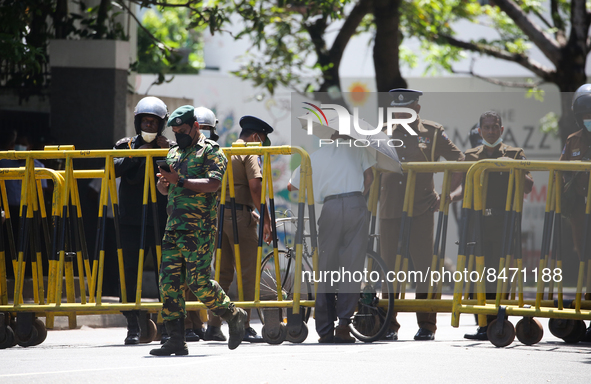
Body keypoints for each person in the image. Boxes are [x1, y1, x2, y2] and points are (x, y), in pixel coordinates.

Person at [150, 105, 246, 356]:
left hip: (199, 228)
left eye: (182, 130)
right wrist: (164, 184)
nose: (178, 135)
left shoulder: (211, 151)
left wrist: (178, 181)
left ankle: (233, 315)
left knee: (198, 282)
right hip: (173, 227)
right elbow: (167, 190)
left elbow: (213, 184)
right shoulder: (173, 152)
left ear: (195, 126)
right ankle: (175, 339)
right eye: (175, 131)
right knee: (168, 284)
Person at [379, 88, 465, 341]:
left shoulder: (432, 131)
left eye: (406, 109)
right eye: (397, 110)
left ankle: (427, 325)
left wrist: (447, 195)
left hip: (421, 208)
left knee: (424, 268)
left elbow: (458, 160)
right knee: (388, 269)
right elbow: (368, 163)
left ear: (416, 108)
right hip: (390, 207)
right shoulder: (382, 131)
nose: (400, 114)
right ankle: (388, 324)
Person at [288, 121, 376, 343]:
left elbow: (292, 185)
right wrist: (358, 195)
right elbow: (369, 178)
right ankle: (344, 325)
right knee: (352, 266)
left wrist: (319, 184)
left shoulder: (316, 155)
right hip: (356, 203)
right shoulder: (359, 149)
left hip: (331, 207)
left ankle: (325, 329)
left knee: (325, 266)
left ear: (333, 135)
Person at [459, 110, 534, 340]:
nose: (491, 131)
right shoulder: (471, 156)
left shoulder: (515, 153)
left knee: (502, 274)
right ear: (480, 131)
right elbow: (463, 189)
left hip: (504, 223)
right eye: (487, 128)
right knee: (477, 274)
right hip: (479, 224)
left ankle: (500, 322)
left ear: (501, 130)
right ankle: (483, 325)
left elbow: (529, 186)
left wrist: (512, 166)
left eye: (495, 127)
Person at [205, 115, 272, 343]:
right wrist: (265, 218)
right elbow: (255, 187)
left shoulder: (225, 151)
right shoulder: (250, 152)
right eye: (262, 140)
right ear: (255, 136)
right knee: (248, 274)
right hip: (240, 220)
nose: (261, 145)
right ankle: (243, 326)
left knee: (221, 274)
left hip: (220, 216)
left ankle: (213, 326)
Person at [113, 96, 171, 345]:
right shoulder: (124, 145)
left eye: (153, 122)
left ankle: (168, 326)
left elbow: (180, 170)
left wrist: (167, 151)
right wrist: (139, 153)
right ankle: (132, 326)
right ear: (137, 123)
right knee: (129, 275)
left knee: (166, 274)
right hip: (132, 220)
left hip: (160, 220)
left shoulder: (169, 146)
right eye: (145, 122)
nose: (149, 126)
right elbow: (113, 168)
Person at [559, 84, 591, 342]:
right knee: (585, 259)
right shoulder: (573, 140)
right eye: (586, 116)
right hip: (580, 210)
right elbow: (561, 171)